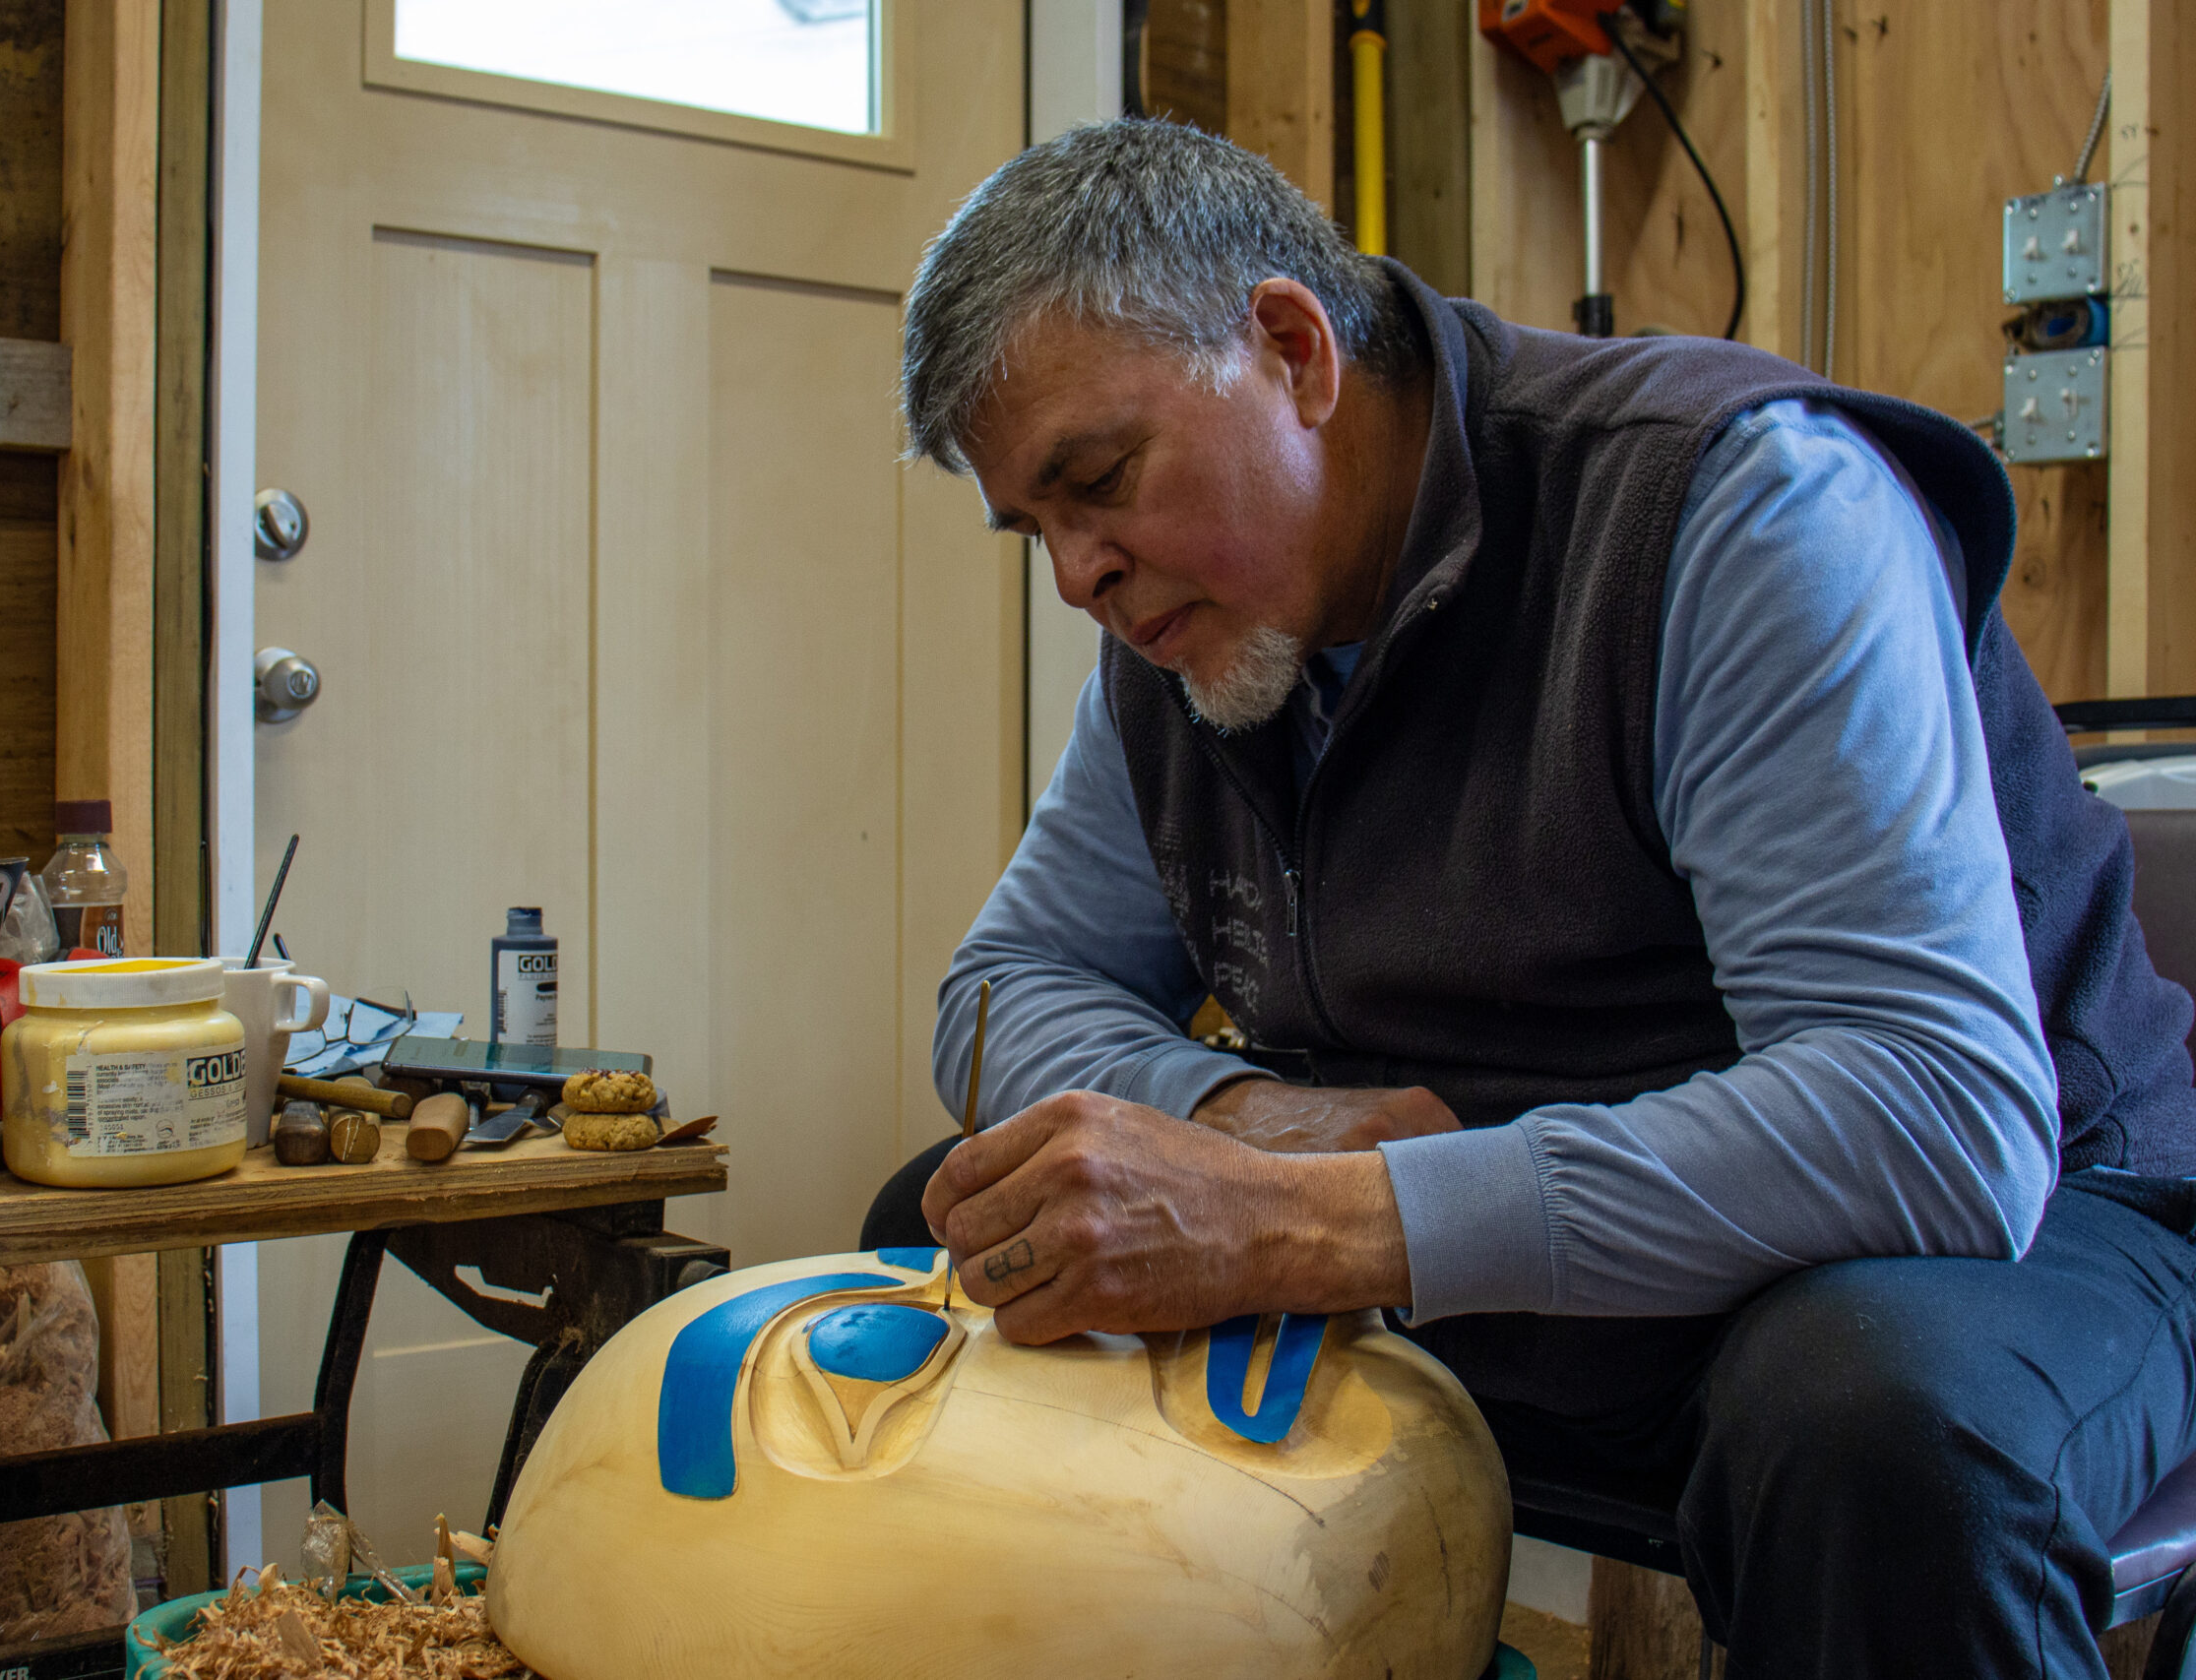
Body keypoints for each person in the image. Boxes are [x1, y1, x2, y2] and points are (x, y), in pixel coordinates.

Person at [871, 117, 2196, 1678]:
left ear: (1292, 351)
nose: (1079, 578)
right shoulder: (1188, 622)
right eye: (1039, 527)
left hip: (2013, 1224)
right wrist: (1237, 1126)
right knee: (970, 1229)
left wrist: (1324, 1222)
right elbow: (1004, 988)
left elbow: (1933, 1124)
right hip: (1518, 1235)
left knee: (1873, 1430)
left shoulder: (1741, 507)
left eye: (1099, 481)